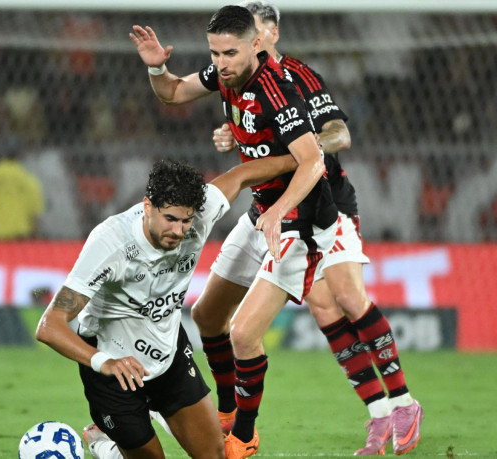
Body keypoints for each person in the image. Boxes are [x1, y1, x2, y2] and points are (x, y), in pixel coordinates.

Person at [201, 2, 424, 456]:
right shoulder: (236, 79)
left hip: (323, 202)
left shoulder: (297, 78)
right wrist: (233, 136)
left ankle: (402, 402)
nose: (256, 43)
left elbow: (338, 136)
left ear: (271, 36)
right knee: (323, 311)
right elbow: (237, 122)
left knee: (347, 297)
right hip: (271, 207)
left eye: (261, 33)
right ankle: (379, 414)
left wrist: (294, 145)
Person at [130, 6, 339, 458]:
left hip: (298, 221)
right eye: (214, 52)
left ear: (255, 45)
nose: (221, 62)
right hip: (261, 211)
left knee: (244, 333)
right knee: (206, 317)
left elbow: (314, 161)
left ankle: (243, 436)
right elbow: (172, 92)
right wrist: (156, 67)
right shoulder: (225, 74)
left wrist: (279, 211)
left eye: (230, 52)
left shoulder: (277, 89)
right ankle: (225, 411)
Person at [35, 156, 298, 459]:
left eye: (186, 220)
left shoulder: (200, 214)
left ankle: (156, 409)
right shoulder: (111, 243)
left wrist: (304, 155)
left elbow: (242, 174)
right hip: (115, 369)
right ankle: (105, 445)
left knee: (215, 456)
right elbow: (49, 325)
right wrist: (103, 361)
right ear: (148, 206)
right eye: (170, 219)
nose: (178, 230)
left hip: (166, 353)